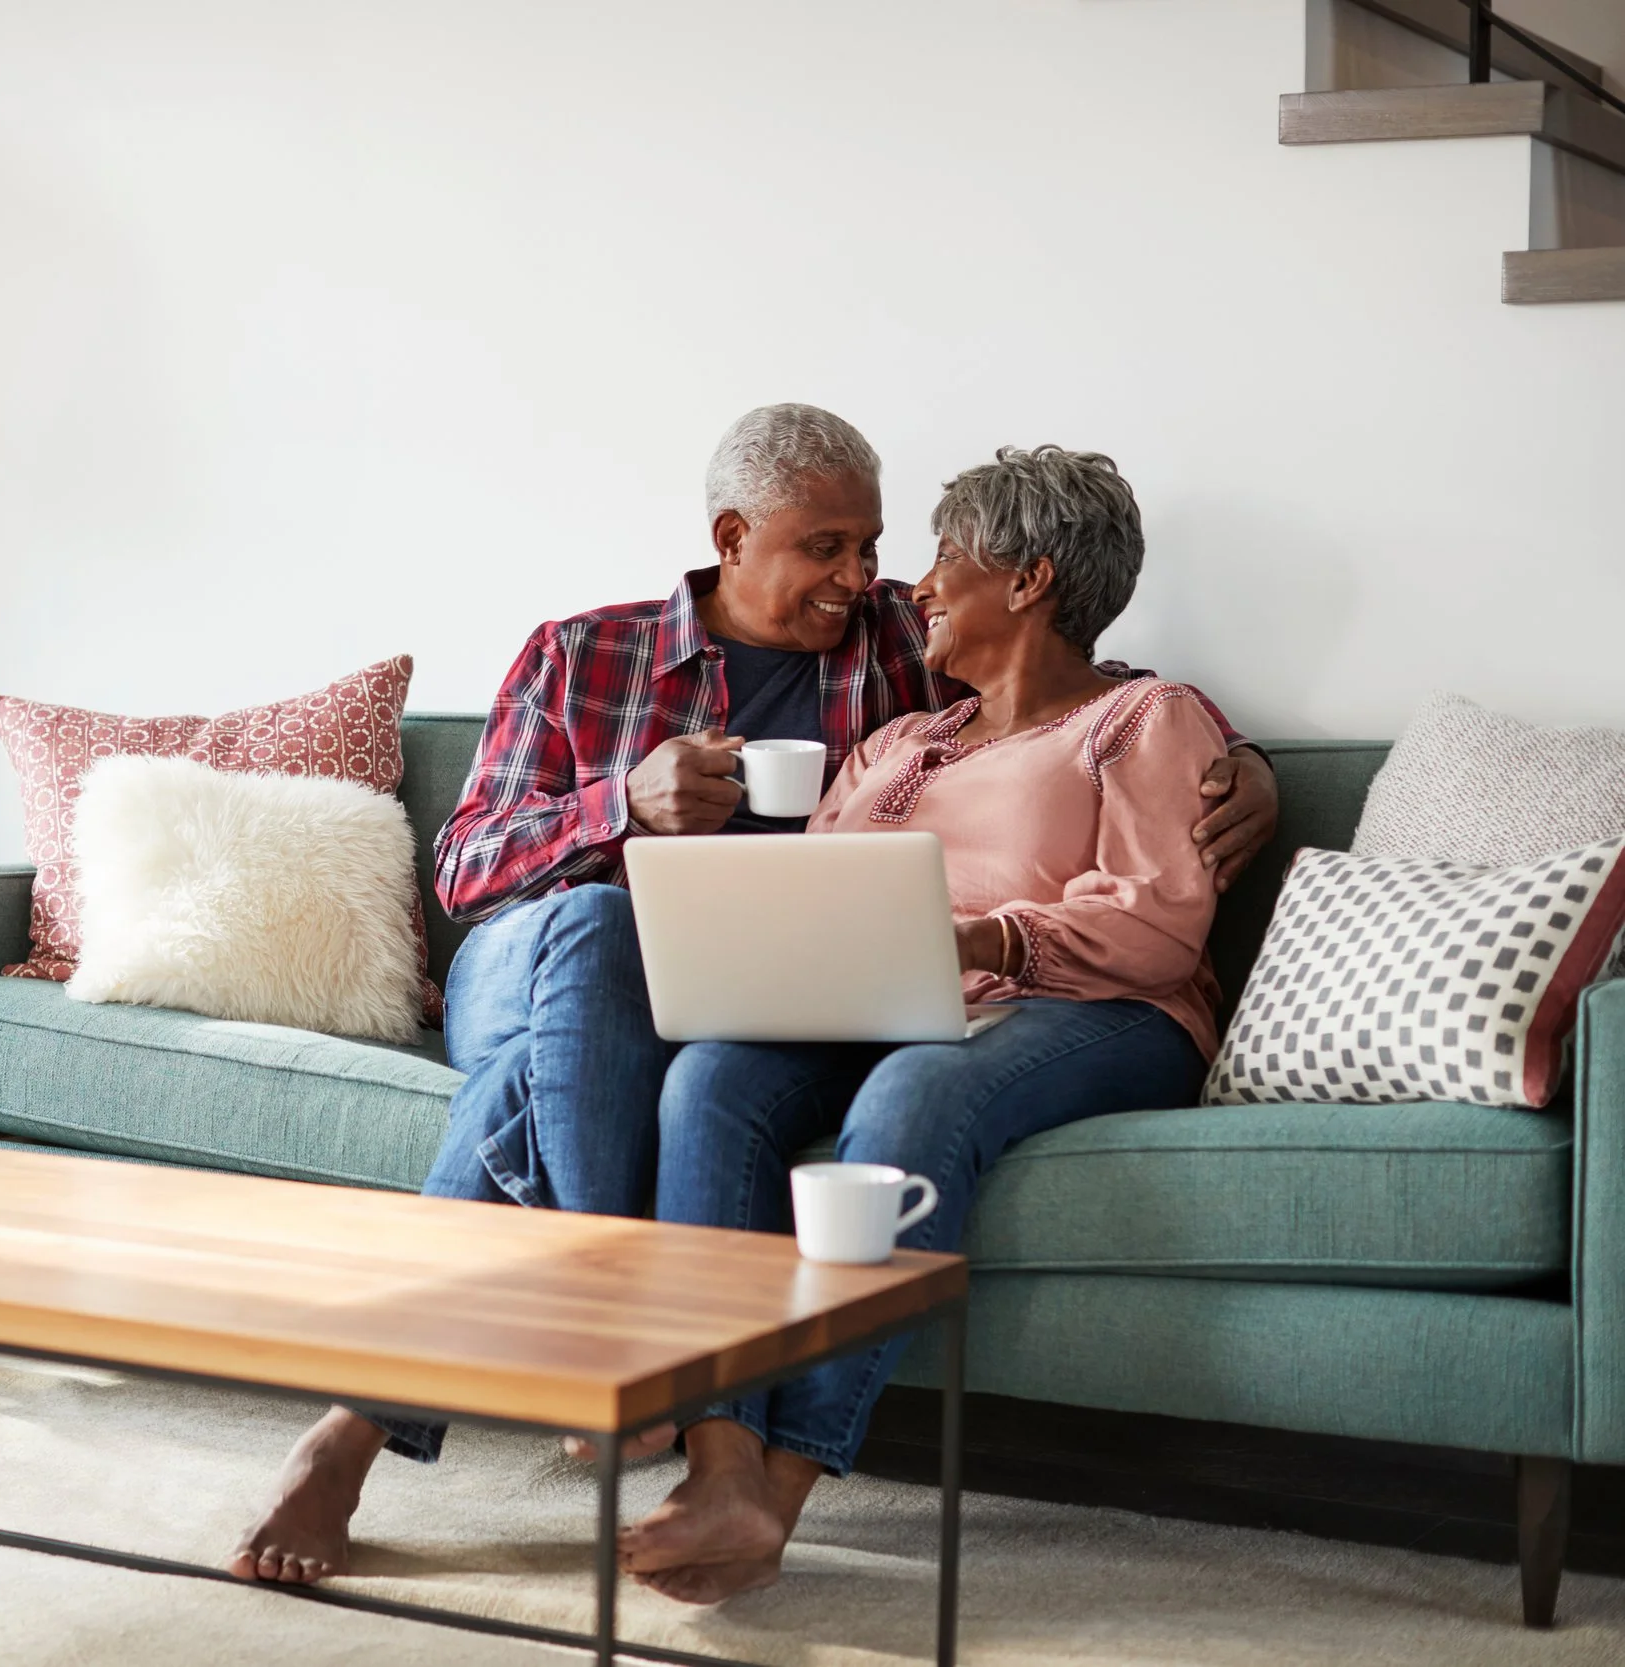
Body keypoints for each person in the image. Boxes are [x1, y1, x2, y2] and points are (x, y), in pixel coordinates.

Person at [225, 409, 1276, 1587]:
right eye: (827, 547)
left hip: (933, 992)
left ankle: (604, 1434)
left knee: (665, 1072)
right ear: (733, 536)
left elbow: (1112, 717)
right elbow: (464, 871)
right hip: (541, 954)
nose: (873, 578)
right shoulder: (589, 652)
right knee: (596, 923)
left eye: (883, 547)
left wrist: (1254, 776)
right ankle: (636, 1344)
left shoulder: (911, 657)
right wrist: (619, 803)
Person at [617, 445, 1231, 1603]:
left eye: (946, 558)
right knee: (712, 1076)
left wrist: (983, 940)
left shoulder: (1146, 718)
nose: (917, 586)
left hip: (1093, 1007)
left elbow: (1159, 928)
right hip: (883, 997)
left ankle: (782, 1489)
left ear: (1032, 577)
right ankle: (721, 1455)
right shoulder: (899, 742)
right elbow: (814, 900)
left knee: (915, 1094)